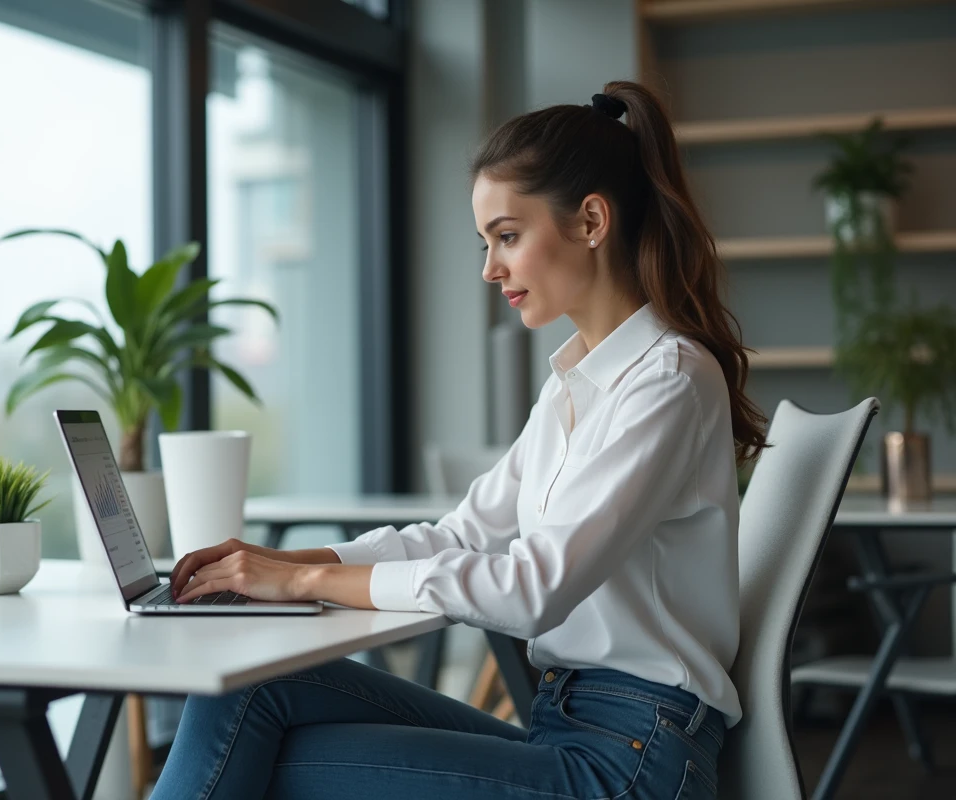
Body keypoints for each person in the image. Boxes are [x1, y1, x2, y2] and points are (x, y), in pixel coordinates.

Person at [152, 80, 768, 800]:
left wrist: (305, 583)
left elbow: (534, 587)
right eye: (486, 242)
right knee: (247, 691)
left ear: (592, 220)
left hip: (632, 764)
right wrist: (272, 563)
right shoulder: (574, 384)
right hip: (568, 724)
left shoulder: (669, 380)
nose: (489, 268)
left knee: (265, 764)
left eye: (508, 236)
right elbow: (460, 534)